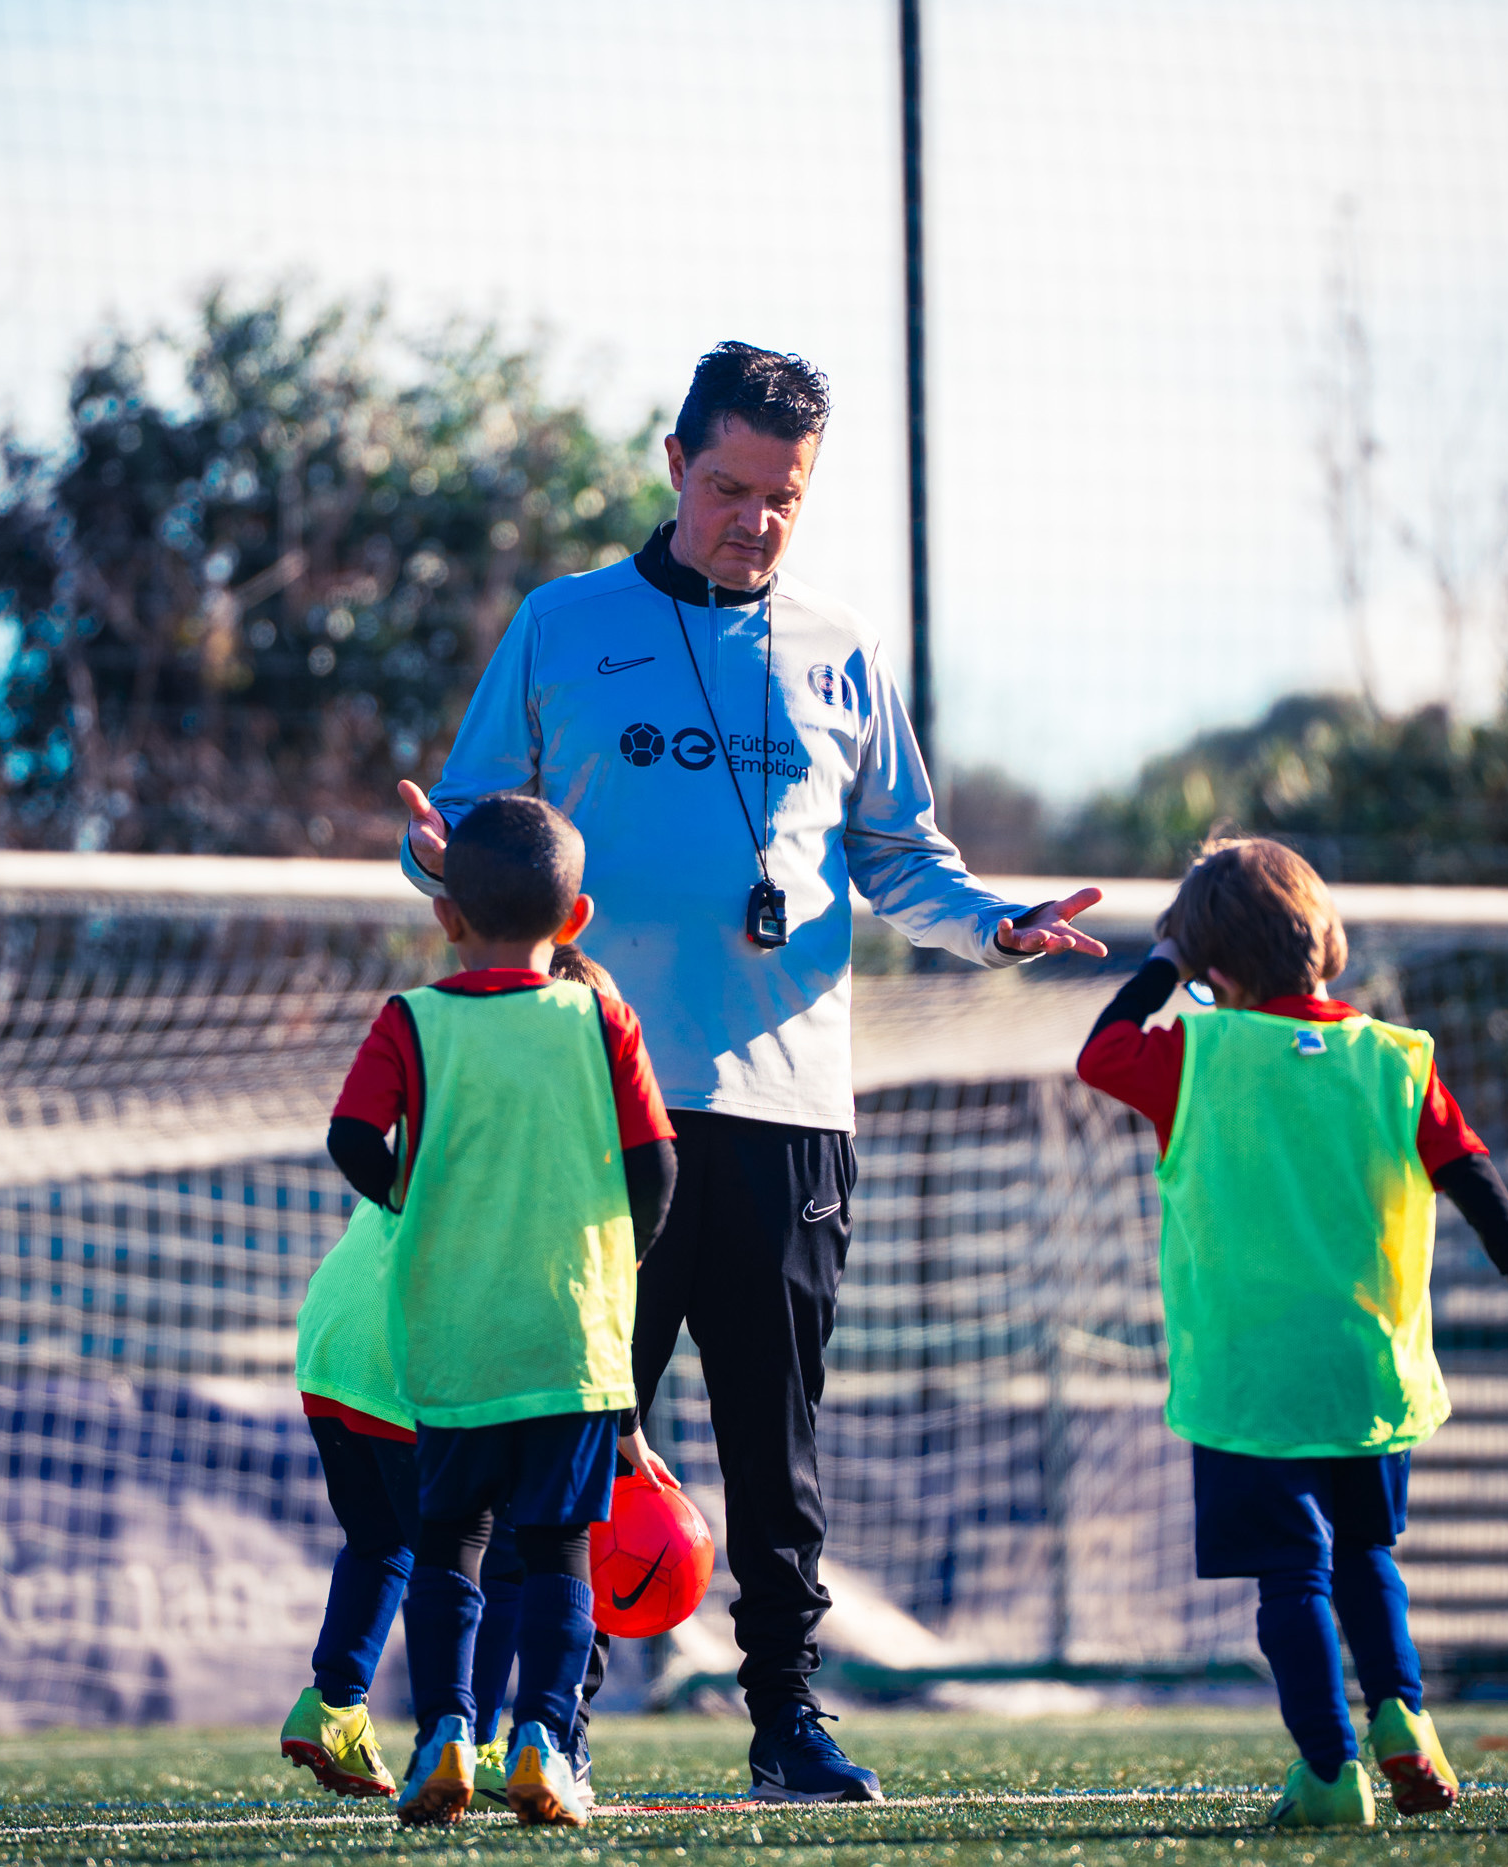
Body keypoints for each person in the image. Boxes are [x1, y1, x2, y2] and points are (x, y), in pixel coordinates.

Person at [396, 340, 1107, 1803]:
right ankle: (556, 1724)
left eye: (782, 495)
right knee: (583, 1433)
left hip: (789, 1110)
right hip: (598, 1111)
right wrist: (437, 858)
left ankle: (786, 1714)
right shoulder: (560, 623)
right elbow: (466, 818)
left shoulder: (842, 644)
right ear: (673, 465)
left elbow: (907, 856)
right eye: (728, 486)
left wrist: (995, 924)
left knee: (773, 1453)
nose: (753, 519)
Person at [1077, 836, 1508, 1830]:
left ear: (1211, 966)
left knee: (1295, 1570)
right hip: (1369, 1366)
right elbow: (1470, 1171)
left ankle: (1330, 1771)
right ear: (1325, 939)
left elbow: (1098, 1054)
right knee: (1368, 1552)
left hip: (1251, 1376)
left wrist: (1163, 964)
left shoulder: (1196, 1051)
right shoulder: (1395, 1058)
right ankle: (1405, 1716)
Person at [328, 794, 678, 1827]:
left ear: (446, 918)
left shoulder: (410, 1019)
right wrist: (615, 1255)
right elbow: (657, 1165)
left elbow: (352, 1140)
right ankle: (542, 1739)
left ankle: (444, 1729)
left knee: (449, 1544)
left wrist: (411, 1196)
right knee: (560, 1549)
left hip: (452, 1336)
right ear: (577, 923)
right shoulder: (605, 1017)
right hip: (569, 1340)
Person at [280, 1198, 526, 1805]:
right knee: (498, 1561)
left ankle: (332, 1706)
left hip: (330, 1338)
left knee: (379, 1538)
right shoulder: (541, 1146)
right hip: (404, 1347)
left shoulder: (442, 1108)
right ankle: (476, 1743)